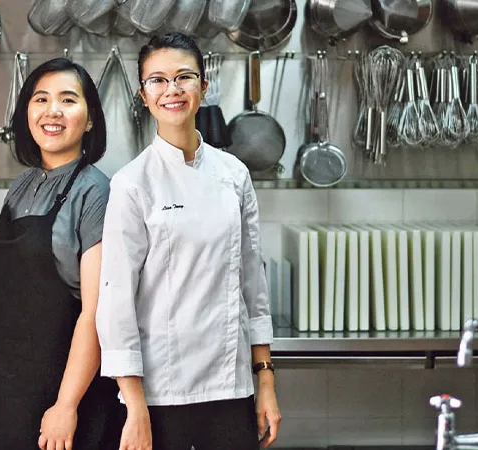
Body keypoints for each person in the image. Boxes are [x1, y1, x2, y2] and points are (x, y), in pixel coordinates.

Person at [95, 32, 282, 450]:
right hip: (162, 393)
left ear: (204, 86)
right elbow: (116, 301)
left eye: (184, 77)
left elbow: (253, 283)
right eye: (157, 80)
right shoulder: (132, 184)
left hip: (231, 387)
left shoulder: (235, 175)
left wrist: (264, 380)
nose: (172, 90)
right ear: (143, 95)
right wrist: (134, 406)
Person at [0, 57, 121, 450]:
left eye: (68, 100)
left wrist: (66, 405)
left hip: (64, 398)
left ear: (90, 119)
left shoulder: (95, 192)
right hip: (4, 388)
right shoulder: (22, 184)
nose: (52, 110)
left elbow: (96, 313)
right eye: (41, 99)